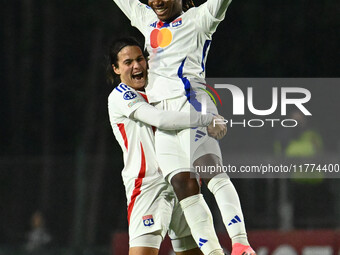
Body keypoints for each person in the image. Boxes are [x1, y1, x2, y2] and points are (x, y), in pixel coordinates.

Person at [111, 1, 256, 254]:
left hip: (193, 107)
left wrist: (208, 117)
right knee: (183, 184)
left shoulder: (200, 19)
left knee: (211, 171)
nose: (156, 1)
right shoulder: (147, 21)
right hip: (167, 125)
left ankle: (241, 243)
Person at [107, 37, 226, 255]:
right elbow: (160, 119)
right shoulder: (120, 97)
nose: (136, 66)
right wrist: (206, 119)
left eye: (140, 59)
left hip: (181, 178)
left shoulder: (160, 89)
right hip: (148, 186)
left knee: (197, 250)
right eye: (127, 62)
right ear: (116, 69)